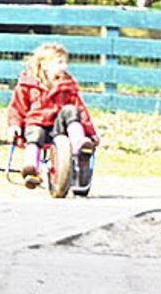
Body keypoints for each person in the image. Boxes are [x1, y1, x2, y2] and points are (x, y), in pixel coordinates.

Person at [8, 41, 97, 187]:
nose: (65, 66)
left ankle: (79, 145)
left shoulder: (67, 86)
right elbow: (17, 107)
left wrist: (91, 133)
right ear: (44, 65)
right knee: (35, 132)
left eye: (65, 62)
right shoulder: (27, 85)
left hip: (58, 128)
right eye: (59, 62)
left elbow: (81, 110)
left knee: (71, 110)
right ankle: (31, 168)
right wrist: (14, 125)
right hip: (36, 125)